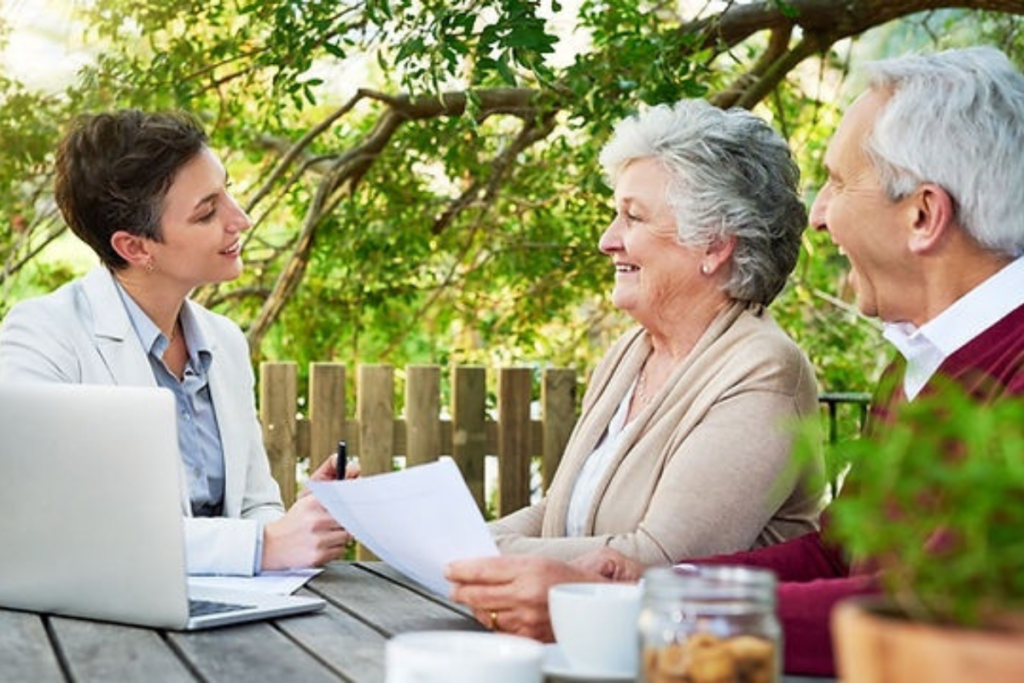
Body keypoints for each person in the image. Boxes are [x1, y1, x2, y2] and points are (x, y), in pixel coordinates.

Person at [447, 45, 1024, 676]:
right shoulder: (915, 366)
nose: (820, 218)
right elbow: (838, 556)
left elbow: (938, 611)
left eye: (837, 183)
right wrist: (650, 586)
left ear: (923, 215)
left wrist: (638, 609)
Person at [0, 110, 354, 576]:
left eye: (228, 191)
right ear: (135, 247)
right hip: (104, 615)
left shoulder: (224, 342)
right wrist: (264, 544)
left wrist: (298, 523)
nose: (241, 219)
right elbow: (59, 529)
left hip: (235, 610)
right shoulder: (44, 340)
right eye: (207, 212)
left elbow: (252, 508)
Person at [489, 98, 824, 568]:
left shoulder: (764, 370)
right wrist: (468, 539)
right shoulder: (630, 352)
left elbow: (658, 557)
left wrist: (481, 554)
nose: (607, 241)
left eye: (634, 217)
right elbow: (560, 514)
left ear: (713, 245)